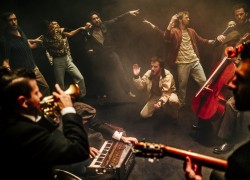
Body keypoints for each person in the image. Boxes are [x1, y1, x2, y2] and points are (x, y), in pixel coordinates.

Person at [0, 67, 89, 179]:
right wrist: (68, 110)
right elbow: (78, 150)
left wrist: (47, 118)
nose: (42, 96)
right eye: (36, 93)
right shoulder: (25, 133)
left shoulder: (9, 120)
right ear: (23, 101)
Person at [184, 41, 250, 180]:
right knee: (208, 95)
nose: (232, 85)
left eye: (240, 78)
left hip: (241, 91)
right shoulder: (237, 50)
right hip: (240, 88)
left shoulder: (240, 162)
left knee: (231, 105)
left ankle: (228, 139)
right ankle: (205, 123)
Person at [164, 11, 217, 108]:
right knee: (182, 85)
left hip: (194, 61)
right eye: (186, 17)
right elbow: (166, 38)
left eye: (189, 17)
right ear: (180, 20)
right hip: (182, 63)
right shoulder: (175, 31)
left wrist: (213, 41)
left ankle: (206, 100)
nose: (189, 19)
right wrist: (171, 21)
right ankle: (181, 103)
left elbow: (201, 40)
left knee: (204, 81)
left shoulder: (191, 31)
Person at [83, 10, 139, 100]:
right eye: (94, 19)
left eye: (97, 18)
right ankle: (102, 94)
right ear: (91, 21)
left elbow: (117, 19)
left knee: (121, 72)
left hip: (110, 53)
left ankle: (128, 91)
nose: (96, 20)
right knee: (99, 76)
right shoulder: (88, 31)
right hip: (99, 56)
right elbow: (86, 43)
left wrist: (128, 13)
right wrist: (88, 50)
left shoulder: (105, 25)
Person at [0, 12, 50, 96]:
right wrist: (8, 71)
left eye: (15, 19)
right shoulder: (5, 40)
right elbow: (6, 61)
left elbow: (27, 45)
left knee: (45, 88)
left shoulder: (19, 30)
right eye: (10, 20)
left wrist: (36, 42)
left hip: (34, 68)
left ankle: (44, 107)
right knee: (30, 94)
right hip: (23, 74)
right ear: (6, 23)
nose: (14, 22)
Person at [38, 20, 87, 98]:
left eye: (53, 27)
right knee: (60, 85)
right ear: (46, 30)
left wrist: (80, 28)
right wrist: (31, 41)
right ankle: (63, 100)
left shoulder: (59, 31)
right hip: (57, 61)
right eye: (51, 29)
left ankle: (82, 96)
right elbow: (32, 45)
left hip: (66, 59)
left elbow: (70, 34)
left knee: (80, 78)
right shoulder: (43, 38)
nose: (53, 29)